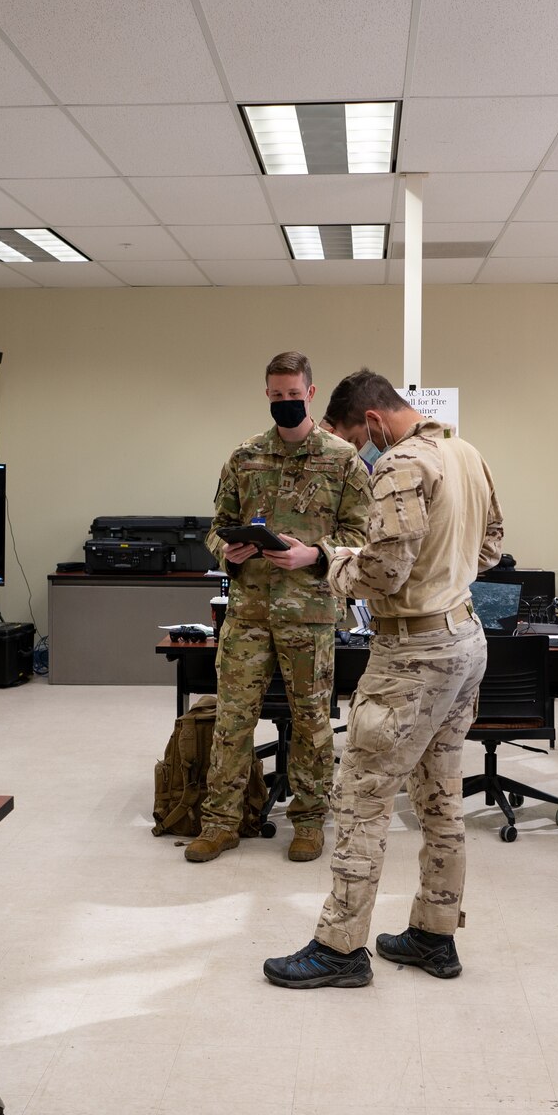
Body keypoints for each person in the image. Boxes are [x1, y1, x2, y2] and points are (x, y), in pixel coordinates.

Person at [263, 370, 503, 989]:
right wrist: (443, 576)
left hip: (412, 654)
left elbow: (384, 575)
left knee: (361, 799)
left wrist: (326, 562)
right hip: (463, 639)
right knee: (440, 793)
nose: (357, 452)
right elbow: (492, 546)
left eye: (352, 438)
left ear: (371, 422)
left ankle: (340, 948)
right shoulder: (464, 451)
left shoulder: (399, 465)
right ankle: (434, 934)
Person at [194, 351, 370, 864]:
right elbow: (215, 524)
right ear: (266, 394)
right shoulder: (245, 456)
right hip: (247, 611)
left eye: (294, 396)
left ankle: (311, 821)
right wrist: (225, 549)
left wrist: (313, 554)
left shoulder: (342, 459)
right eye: (277, 397)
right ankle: (221, 822)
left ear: (311, 394)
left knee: (312, 721)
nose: (286, 404)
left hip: (310, 612)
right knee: (232, 720)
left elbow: (363, 537)